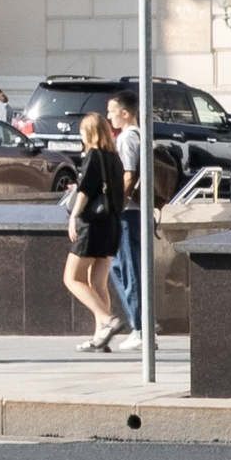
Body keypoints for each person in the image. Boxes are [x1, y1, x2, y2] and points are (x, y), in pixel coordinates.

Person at [63, 110, 128, 350]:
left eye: (82, 131)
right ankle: (101, 337)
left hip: (92, 225)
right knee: (98, 282)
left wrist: (74, 217)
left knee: (71, 278)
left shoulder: (93, 155)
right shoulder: (114, 158)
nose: (80, 135)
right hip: (112, 225)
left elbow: (85, 191)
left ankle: (108, 320)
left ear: (89, 132)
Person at [107, 89, 145, 349]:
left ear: (124, 112)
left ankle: (140, 327)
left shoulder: (127, 138)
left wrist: (116, 205)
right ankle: (142, 322)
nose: (109, 116)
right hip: (136, 211)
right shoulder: (141, 135)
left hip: (128, 212)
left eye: (112, 112)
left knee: (127, 270)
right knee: (120, 267)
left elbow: (129, 175)